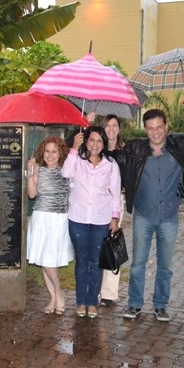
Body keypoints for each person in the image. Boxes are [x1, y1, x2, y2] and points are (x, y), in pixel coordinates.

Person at [112, 109, 184, 322]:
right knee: (138, 264)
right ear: (145, 130)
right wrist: (102, 132)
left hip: (169, 217)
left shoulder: (180, 144)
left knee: (165, 266)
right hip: (143, 216)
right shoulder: (135, 148)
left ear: (166, 127)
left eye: (159, 127)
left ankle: (160, 305)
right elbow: (111, 156)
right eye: (150, 128)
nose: (155, 132)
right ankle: (135, 304)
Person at [61, 126, 122, 319]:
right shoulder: (77, 161)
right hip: (78, 218)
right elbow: (65, 173)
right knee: (82, 261)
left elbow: (115, 193)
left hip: (101, 219)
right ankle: (81, 301)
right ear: (86, 141)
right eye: (92, 140)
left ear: (104, 144)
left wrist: (114, 218)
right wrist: (73, 149)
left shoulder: (111, 165)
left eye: (99, 141)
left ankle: (92, 302)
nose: (95, 144)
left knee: (96, 262)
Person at [26, 136, 73, 315]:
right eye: (47, 151)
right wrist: (30, 175)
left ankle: (57, 294)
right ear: (42, 152)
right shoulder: (37, 168)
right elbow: (31, 195)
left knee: (49, 260)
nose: (50, 155)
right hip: (41, 218)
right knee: (45, 259)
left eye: (54, 151)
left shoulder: (67, 170)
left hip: (59, 220)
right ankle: (55, 296)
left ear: (60, 152)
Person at [100, 114, 125, 307]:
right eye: (107, 125)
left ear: (119, 128)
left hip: (117, 201)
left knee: (111, 244)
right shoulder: (95, 149)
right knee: (97, 245)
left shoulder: (125, 151)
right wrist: (85, 122)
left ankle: (109, 293)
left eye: (114, 125)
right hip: (97, 202)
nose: (111, 129)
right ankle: (95, 288)